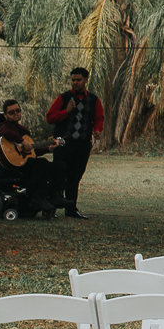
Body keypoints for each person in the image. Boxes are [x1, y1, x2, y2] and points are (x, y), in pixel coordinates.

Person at [46, 67, 104, 219]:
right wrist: (66, 111)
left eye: (78, 80)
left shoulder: (93, 99)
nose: (75, 83)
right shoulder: (63, 98)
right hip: (62, 141)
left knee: (75, 175)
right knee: (59, 173)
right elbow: (50, 117)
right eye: (73, 80)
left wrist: (97, 130)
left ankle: (71, 208)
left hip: (82, 143)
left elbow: (99, 117)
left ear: (85, 80)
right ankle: (51, 207)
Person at [0, 99, 61, 206]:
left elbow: (32, 151)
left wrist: (48, 148)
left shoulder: (23, 130)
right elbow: (5, 133)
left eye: (18, 111)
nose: (15, 114)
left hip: (24, 164)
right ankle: (37, 198)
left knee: (58, 167)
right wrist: (22, 141)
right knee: (41, 163)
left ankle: (55, 196)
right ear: (5, 115)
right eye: (11, 112)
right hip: (11, 167)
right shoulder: (3, 126)